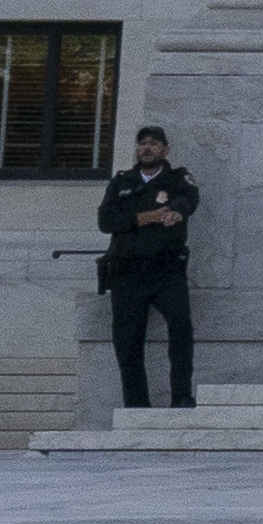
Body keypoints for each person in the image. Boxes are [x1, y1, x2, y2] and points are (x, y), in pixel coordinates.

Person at [95, 125, 199, 410]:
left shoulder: (177, 178)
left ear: (165, 150)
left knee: (181, 330)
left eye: (153, 144)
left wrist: (176, 212)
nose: (147, 148)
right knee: (127, 341)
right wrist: (147, 217)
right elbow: (106, 220)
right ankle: (136, 404)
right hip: (127, 272)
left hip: (166, 271)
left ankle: (181, 395)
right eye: (142, 144)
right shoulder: (122, 181)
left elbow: (188, 199)